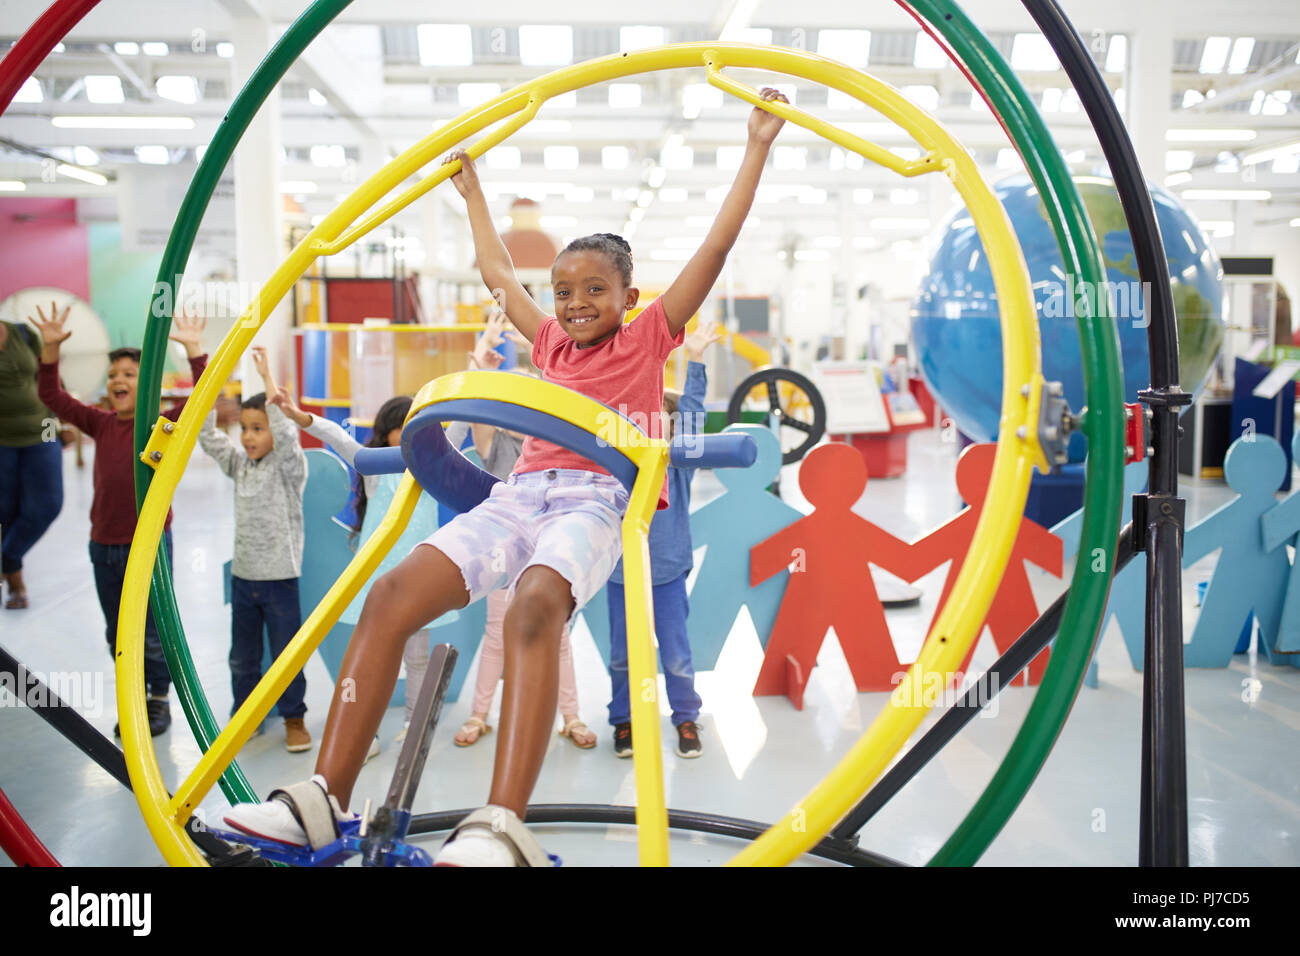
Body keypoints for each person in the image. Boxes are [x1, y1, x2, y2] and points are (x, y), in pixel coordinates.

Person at [223, 89, 787, 865]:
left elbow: (716, 248)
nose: (576, 303)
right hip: (518, 496)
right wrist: (474, 189)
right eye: (563, 291)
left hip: (595, 500)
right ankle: (324, 799)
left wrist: (755, 144)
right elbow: (495, 271)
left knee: (534, 605)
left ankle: (500, 826)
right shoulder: (549, 343)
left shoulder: (652, 333)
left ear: (629, 295)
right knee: (389, 594)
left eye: (595, 290)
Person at [30, 304, 207, 737]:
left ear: (146, 383)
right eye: (114, 376)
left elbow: (204, 398)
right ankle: (135, 697)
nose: (119, 381)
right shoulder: (101, 422)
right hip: (103, 545)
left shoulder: (161, 425)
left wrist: (196, 352)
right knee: (118, 633)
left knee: (151, 628)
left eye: (130, 374)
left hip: (148, 546)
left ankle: (159, 698)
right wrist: (50, 351)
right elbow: (53, 399)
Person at [447, 312, 596, 750]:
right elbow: (476, 407)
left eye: (531, 402)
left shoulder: (554, 447)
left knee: (559, 636)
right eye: (512, 402)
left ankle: (571, 716)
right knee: (496, 636)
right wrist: (485, 364)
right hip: (503, 557)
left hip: (547, 553)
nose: (521, 412)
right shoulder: (493, 442)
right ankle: (479, 714)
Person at [271, 389, 440, 760]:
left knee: (418, 658)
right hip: (380, 582)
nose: (413, 433)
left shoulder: (431, 465)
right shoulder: (374, 467)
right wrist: (300, 417)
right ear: (388, 430)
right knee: (374, 657)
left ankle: (415, 725)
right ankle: (368, 731)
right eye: (405, 426)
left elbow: (456, 430)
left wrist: (480, 360)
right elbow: (338, 436)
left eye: (420, 425)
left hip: (422, 577)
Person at [606, 317, 722, 759]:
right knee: (622, 654)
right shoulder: (621, 463)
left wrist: (694, 360)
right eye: (651, 423)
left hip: (668, 572)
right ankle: (624, 720)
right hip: (622, 573)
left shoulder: (677, 463)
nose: (660, 430)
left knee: (675, 653)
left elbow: (691, 415)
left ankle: (686, 718)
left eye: (667, 424)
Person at [199, 347, 310, 752]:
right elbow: (207, 435)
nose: (248, 436)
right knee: (242, 658)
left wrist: (267, 383)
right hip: (244, 579)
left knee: (286, 655)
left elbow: (285, 437)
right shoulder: (239, 465)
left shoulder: (289, 469)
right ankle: (244, 714)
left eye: (257, 428)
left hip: (281, 579)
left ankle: (294, 717)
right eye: (245, 428)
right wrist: (203, 367)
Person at [0, 310, 62, 609]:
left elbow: (49, 376)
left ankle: (7, 559)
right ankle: (15, 585)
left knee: (48, 504)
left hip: (45, 428)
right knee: (5, 512)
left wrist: (63, 418)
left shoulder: (21, 333)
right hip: (2, 441)